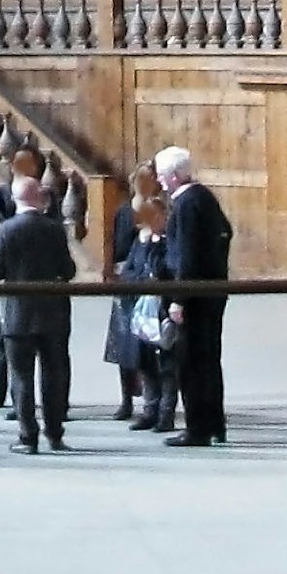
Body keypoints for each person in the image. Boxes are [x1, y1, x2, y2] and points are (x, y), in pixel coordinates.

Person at [0, 170, 77, 453]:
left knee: (21, 377)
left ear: (14, 198)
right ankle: (55, 434)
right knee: (54, 375)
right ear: (40, 197)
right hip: (54, 312)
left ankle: (28, 436)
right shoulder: (55, 229)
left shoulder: (6, 231)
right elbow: (68, 271)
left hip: (18, 313)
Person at [157, 148, 234, 447]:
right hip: (212, 292)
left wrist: (179, 298)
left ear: (174, 177)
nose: (161, 182)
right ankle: (214, 423)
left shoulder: (186, 205)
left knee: (191, 363)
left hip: (195, 297)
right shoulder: (204, 197)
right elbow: (226, 233)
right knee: (209, 361)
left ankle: (198, 427)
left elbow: (186, 257)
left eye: (163, 176)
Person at [105, 183, 173, 430]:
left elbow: (166, 269)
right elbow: (130, 271)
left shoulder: (167, 242)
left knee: (164, 364)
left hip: (163, 307)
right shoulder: (140, 242)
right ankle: (149, 410)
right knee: (144, 361)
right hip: (141, 310)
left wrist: (154, 244)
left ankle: (165, 414)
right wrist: (142, 278)